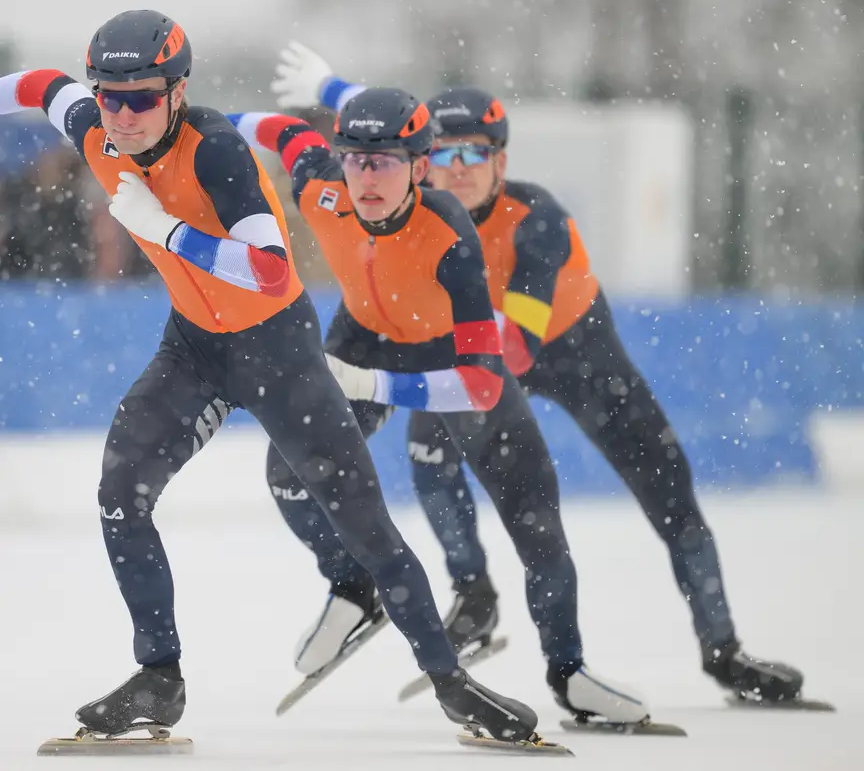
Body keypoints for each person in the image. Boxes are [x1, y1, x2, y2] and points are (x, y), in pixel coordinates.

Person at [0, 11, 542, 746]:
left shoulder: (217, 153)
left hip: (277, 348)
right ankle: (159, 678)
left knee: (366, 526)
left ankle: (452, 685)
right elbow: (37, 85)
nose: (124, 114)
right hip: (194, 347)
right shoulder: (92, 123)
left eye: (143, 97)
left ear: (179, 91)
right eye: (111, 96)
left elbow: (269, 269)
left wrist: (164, 230)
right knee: (120, 492)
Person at [267, 42, 806, 705]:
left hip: (576, 355)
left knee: (671, 498)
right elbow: (376, 125)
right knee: (428, 455)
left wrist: (420, 362)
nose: (455, 170)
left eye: (474, 156)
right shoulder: (413, 202)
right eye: (442, 155)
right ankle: (475, 597)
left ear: (501, 162)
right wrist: (330, 87)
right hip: (467, 344)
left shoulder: (536, 221)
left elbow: (516, 350)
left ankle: (723, 652)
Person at [228, 86, 655, 730]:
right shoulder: (320, 184)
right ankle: (352, 586)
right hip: (364, 334)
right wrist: (202, 125)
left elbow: (484, 383)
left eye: (388, 162)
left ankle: (567, 671)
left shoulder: (450, 232)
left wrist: (377, 388)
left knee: (534, 517)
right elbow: (284, 130)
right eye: (356, 160)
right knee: (288, 473)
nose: (367, 179)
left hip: (442, 353)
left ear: (420, 168)